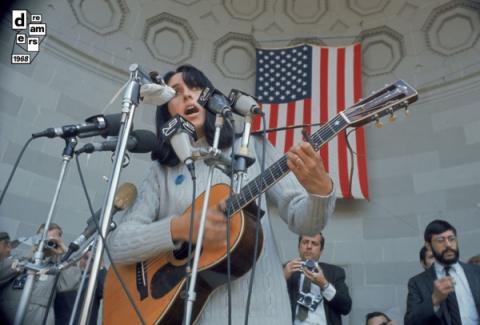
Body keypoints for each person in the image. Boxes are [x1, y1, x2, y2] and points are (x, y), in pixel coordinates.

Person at [107, 64, 336, 324]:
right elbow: (119, 245)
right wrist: (178, 228)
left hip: (265, 315)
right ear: (166, 111)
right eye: (175, 92)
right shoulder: (161, 172)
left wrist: (320, 191)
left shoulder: (254, 145)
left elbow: (304, 220)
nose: (187, 96)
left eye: (195, 88)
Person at [0, 223, 81, 325]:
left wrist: (63, 252)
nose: (45, 244)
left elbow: (72, 282)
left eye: (50, 241)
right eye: (42, 239)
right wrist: (30, 254)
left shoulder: (57, 268)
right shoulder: (19, 261)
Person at [404, 219, 480, 325]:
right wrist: (434, 300)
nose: (448, 244)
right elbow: (410, 322)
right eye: (440, 240)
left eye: (451, 239)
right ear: (428, 246)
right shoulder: (417, 283)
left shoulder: (476, 272)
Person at [283, 233, 351, 324]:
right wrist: (282, 278)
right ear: (299, 247)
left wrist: (324, 285)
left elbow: (346, 307)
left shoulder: (335, 272)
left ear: (321, 250)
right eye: (305, 242)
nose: (309, 246)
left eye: (314, 243)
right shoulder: (286, 269)